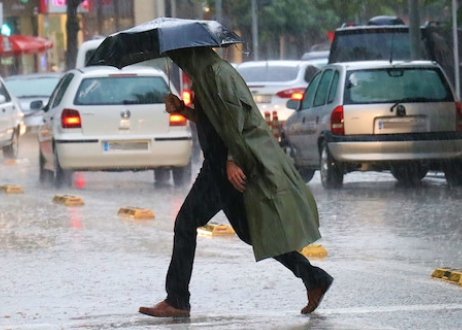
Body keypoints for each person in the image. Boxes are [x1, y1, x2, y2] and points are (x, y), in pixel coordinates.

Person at [138, 47, 334, 318]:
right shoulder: (205, 76)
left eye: (179, 58)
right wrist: (184, 110)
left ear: (191, 54)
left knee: (185, 222)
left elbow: (237, 121)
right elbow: (213, 121)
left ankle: (177, 299)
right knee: (250, 232)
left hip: (223, 166)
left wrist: (233, 160)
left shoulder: (219, 76)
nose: (178, 64)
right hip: (217, 164)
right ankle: (313, 278)